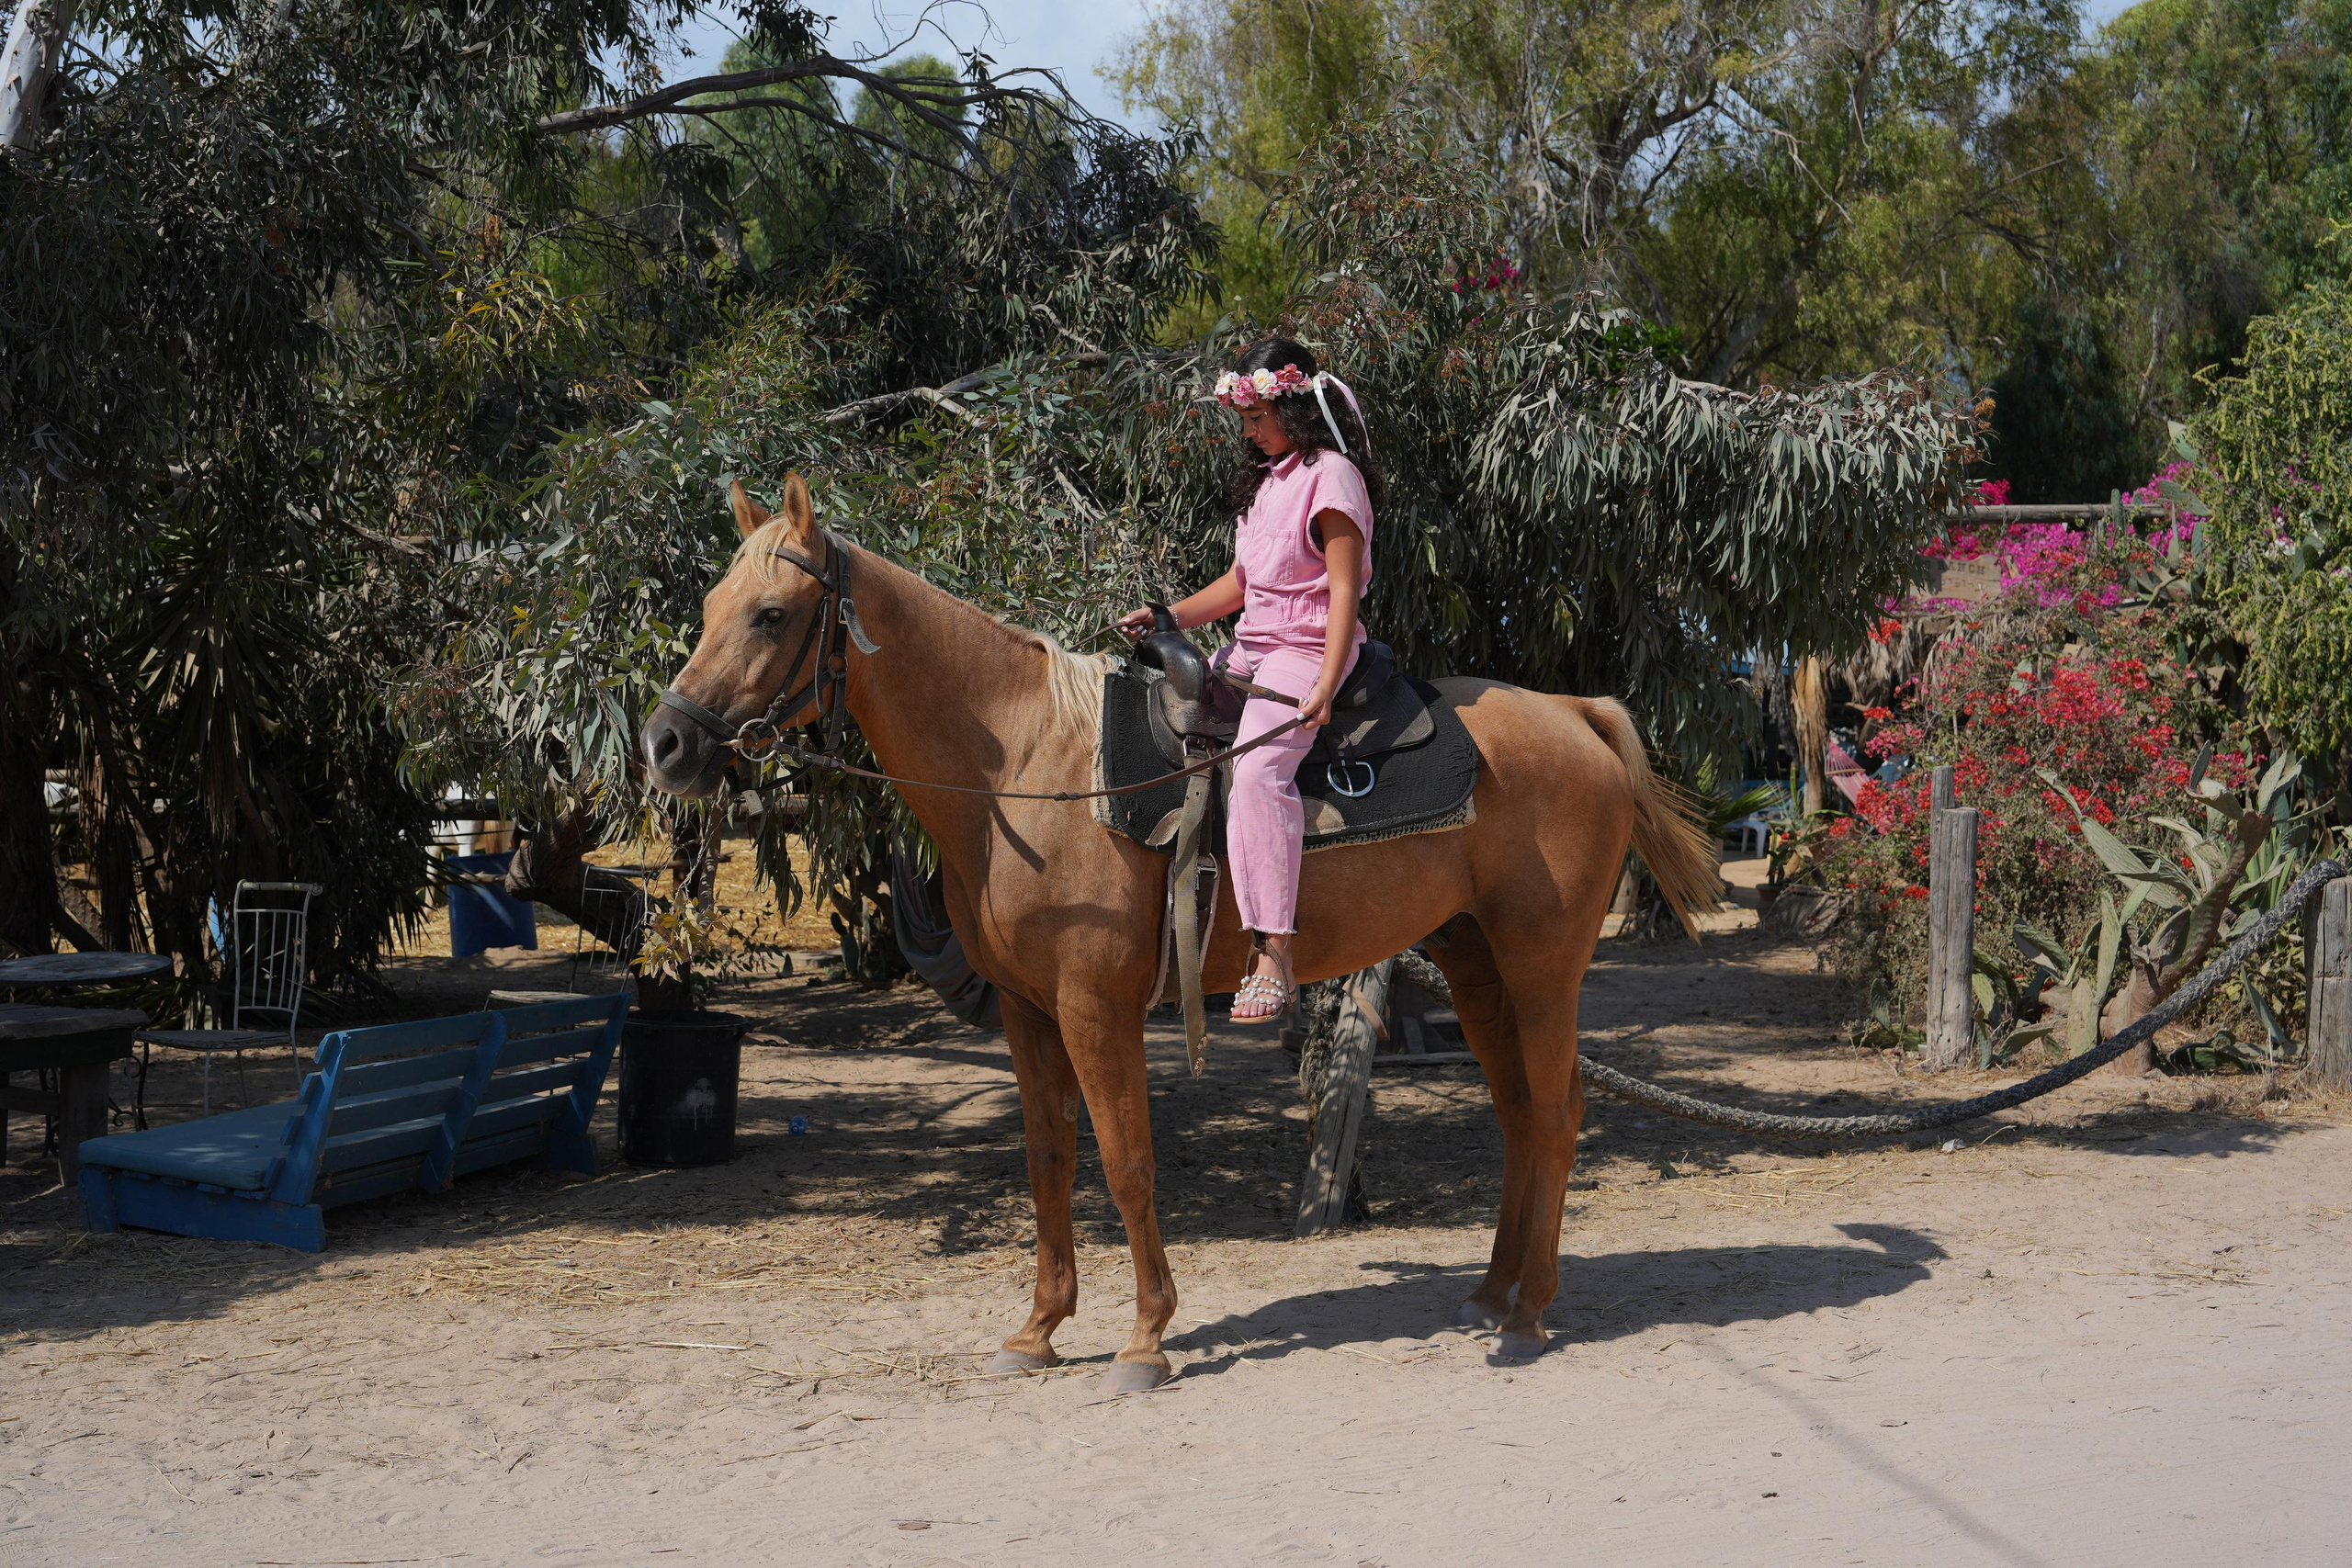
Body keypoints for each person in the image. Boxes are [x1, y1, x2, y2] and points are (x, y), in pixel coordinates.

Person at [1117, 338, 1383, 1022]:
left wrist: (1325, 679)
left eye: (1259, 414)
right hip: (1250, 647)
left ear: (1294, 408)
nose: (1249, 429)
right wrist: (1169, 615)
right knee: (1167, 723)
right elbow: (1241, 584)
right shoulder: (1266, 483)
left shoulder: (1332, 476)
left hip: (1306, 649)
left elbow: (1345, 588)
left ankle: (1274, 950)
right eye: (1245, 416)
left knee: (1261, 770)